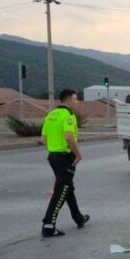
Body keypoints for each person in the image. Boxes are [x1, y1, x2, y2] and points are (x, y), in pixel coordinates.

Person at [41, 89, 90, 237]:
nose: (77, 102)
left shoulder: (51, 115)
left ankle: (78, 218)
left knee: (67, 188)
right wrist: (78, 154)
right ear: (68, 100)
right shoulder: (69, 116)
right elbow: (69, 137)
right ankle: (48, 225)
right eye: (75, 99)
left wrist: (54, 149)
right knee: (61, 191)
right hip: (65, 158)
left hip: (53, 156)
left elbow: (44, 138)